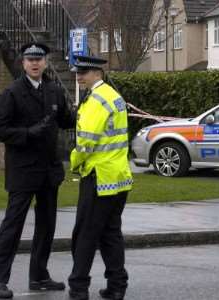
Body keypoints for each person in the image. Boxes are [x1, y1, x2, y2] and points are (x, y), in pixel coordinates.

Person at [0, 42, 75, 298]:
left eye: (39, 59)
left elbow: (66, 121)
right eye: (30, 59)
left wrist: (80, 109)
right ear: (23, 63)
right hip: (23, 171)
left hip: (49, 170)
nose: (35, 63)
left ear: (45, 62)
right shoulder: (12, 93)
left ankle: (39, 276)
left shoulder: (54, 90)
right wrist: (26, 134)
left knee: (46, 226)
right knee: (12, 226)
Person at [67, 55, 133, 300]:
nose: (78, 76)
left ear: (97, 73)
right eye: (77, 72)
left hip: (98, 177)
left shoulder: (96, 100)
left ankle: (78, 287)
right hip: (119, 177)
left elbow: (86, 143)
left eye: (83, 72)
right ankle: (117, 285)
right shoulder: (114, 96)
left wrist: (74, 162)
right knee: (111, 234)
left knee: (85, 235)